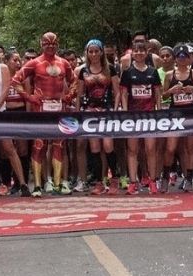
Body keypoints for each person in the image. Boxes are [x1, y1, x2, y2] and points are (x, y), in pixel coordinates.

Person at [11, 32, 76, 196]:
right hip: (41, 109)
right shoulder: (34, 63)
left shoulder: (64, 63)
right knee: (39, 145)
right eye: (47, 43)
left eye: (54, 43)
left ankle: (58, 183)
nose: (51, 46)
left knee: (59, 145)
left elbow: (74, 81)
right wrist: (30, 97)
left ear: (58, 44)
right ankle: (38, 185)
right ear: (41, 44)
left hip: (59, 108)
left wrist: (69, 97)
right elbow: (15, 80)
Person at [76, 39, 120, 194]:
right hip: (89, 113)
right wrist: (79, 112)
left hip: (107, 111)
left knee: (108, 145)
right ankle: (98, 182)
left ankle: (115, 179)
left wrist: (115, 110)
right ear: (87, 53)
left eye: (96, 51)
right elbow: (80, 94)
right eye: (90, 51)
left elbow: (117, 91)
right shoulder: (83, 71)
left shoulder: (111, 69)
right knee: (94, 147)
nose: (94, 54)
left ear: (101, 52)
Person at [120, 42, 162, 195]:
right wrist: (124, 112)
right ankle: (132, 181)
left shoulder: (153, 71)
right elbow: (124, 93)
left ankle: (152, 181)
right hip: (132, 116)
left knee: (150, 149)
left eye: (141, 51)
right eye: (136, 51)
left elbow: (157, 92)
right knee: (132, 149)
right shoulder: (127, 72)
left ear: (146, 53)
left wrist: (158, 110)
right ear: (132, 54)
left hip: (150, 115)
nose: (138, 53)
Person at [160, 44, 193, 193]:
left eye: (185, 56)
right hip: (175, 114)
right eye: (179, 56)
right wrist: (172, 90)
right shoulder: (169, 75)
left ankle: (189, 178)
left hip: (191, 113)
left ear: (189, 58)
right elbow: (163, 95)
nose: (182, 59)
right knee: (171, 147)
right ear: (175, 59)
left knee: (190, 147)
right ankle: (165, 176)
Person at [0, 49, 30, 197]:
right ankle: (7, 183)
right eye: (14, 60)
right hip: (5, 113)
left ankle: (23, 182)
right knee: (5, 150)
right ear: (6, 61)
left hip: (20, 113)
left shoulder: (24, 77)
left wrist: (27, 116)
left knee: (22, 149)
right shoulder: (1, 76)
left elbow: (28, 98)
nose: (18, 63)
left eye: (19, 60)